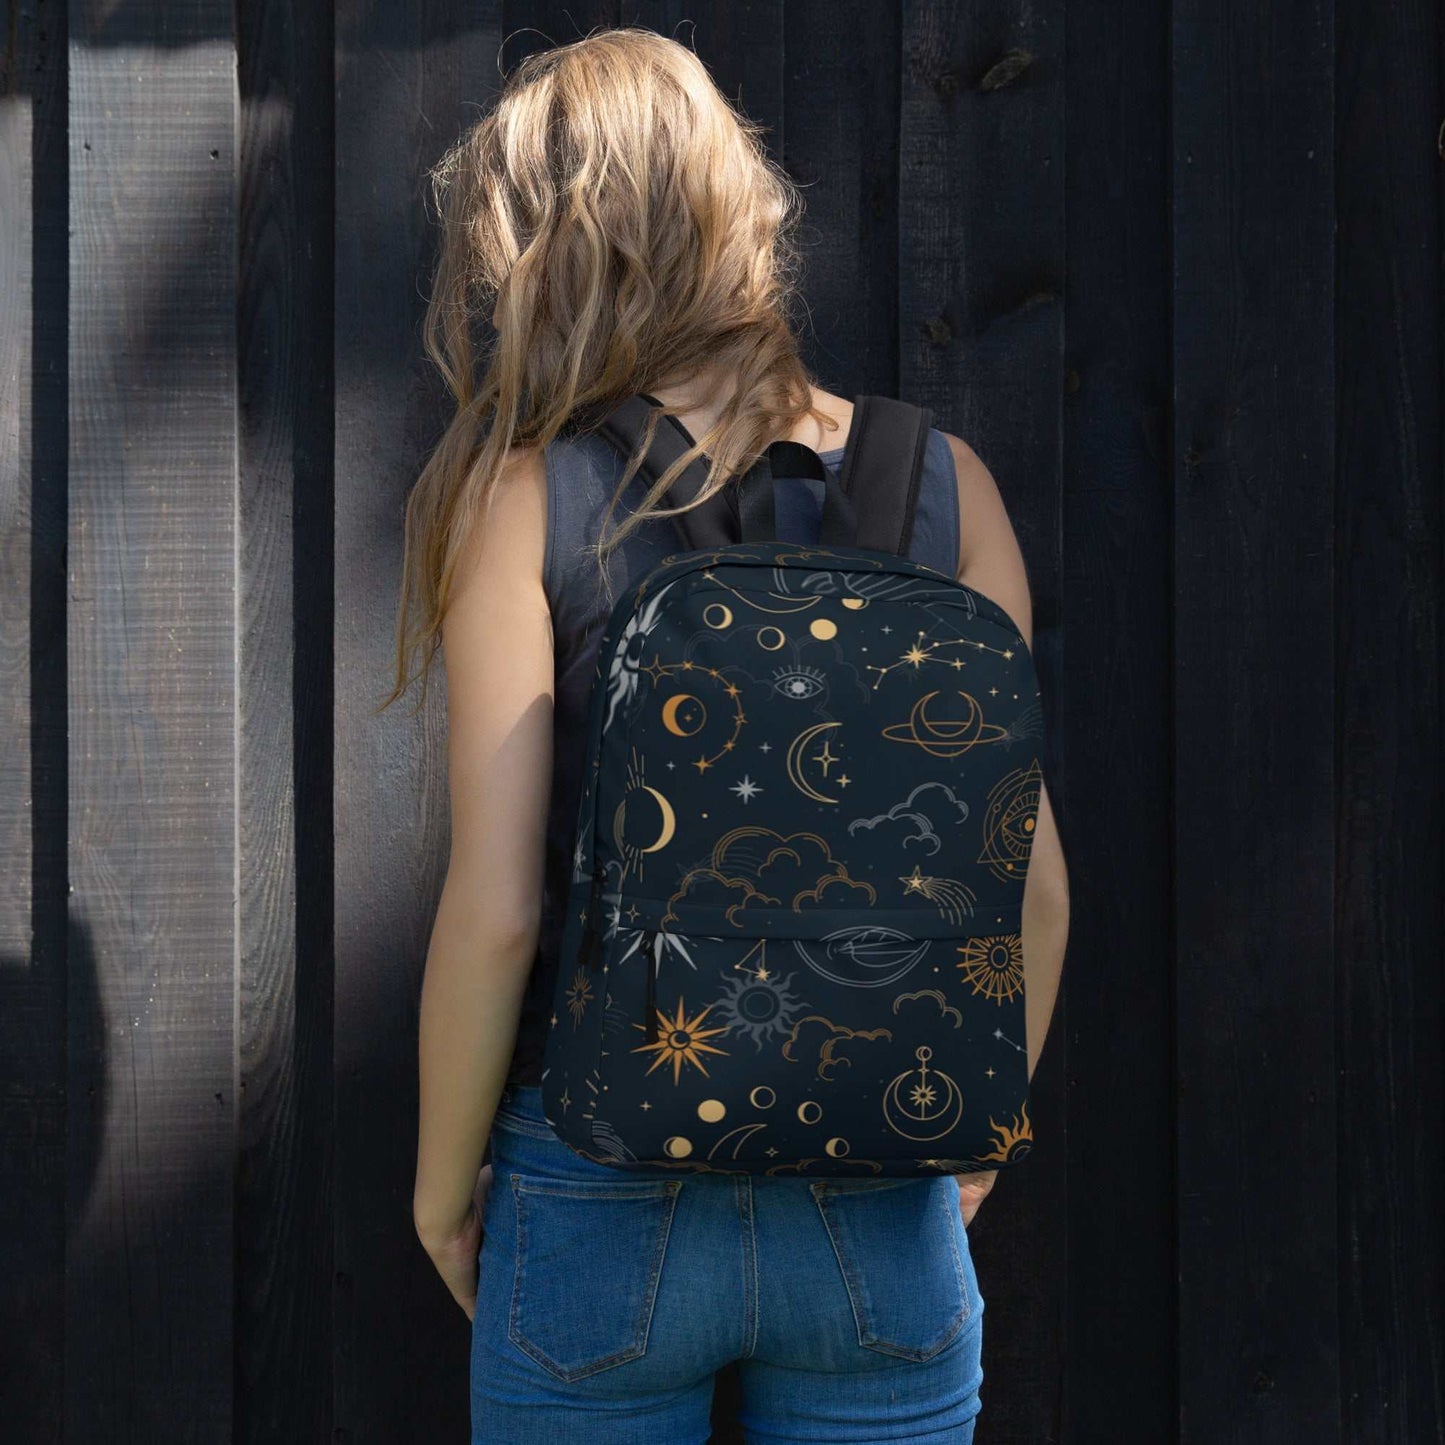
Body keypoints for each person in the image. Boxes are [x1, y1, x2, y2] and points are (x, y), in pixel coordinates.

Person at [389, 26, 1070, 1444]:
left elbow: (501, 906)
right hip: (879, 1182)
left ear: (540, 252)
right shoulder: (948, 487)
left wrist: (443, 1191)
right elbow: (1036, 889)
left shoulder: (527, 496)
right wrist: (968, 1155)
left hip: (595, 1180)